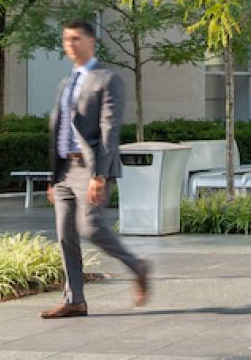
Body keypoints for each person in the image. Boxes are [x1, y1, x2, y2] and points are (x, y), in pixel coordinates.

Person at [40, 20, 151, 318]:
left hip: (89, 168)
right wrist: (53, 178)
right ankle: (74, 299)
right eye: (66, 39)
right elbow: (60, 129)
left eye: (76, 39)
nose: (70, 44)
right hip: (64, 169)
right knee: (65, 235)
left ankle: (137, 266)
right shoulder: (66, 83)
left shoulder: (107, 78)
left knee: (90, 227)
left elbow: (109, 129)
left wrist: (98, 174)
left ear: (92, 41)